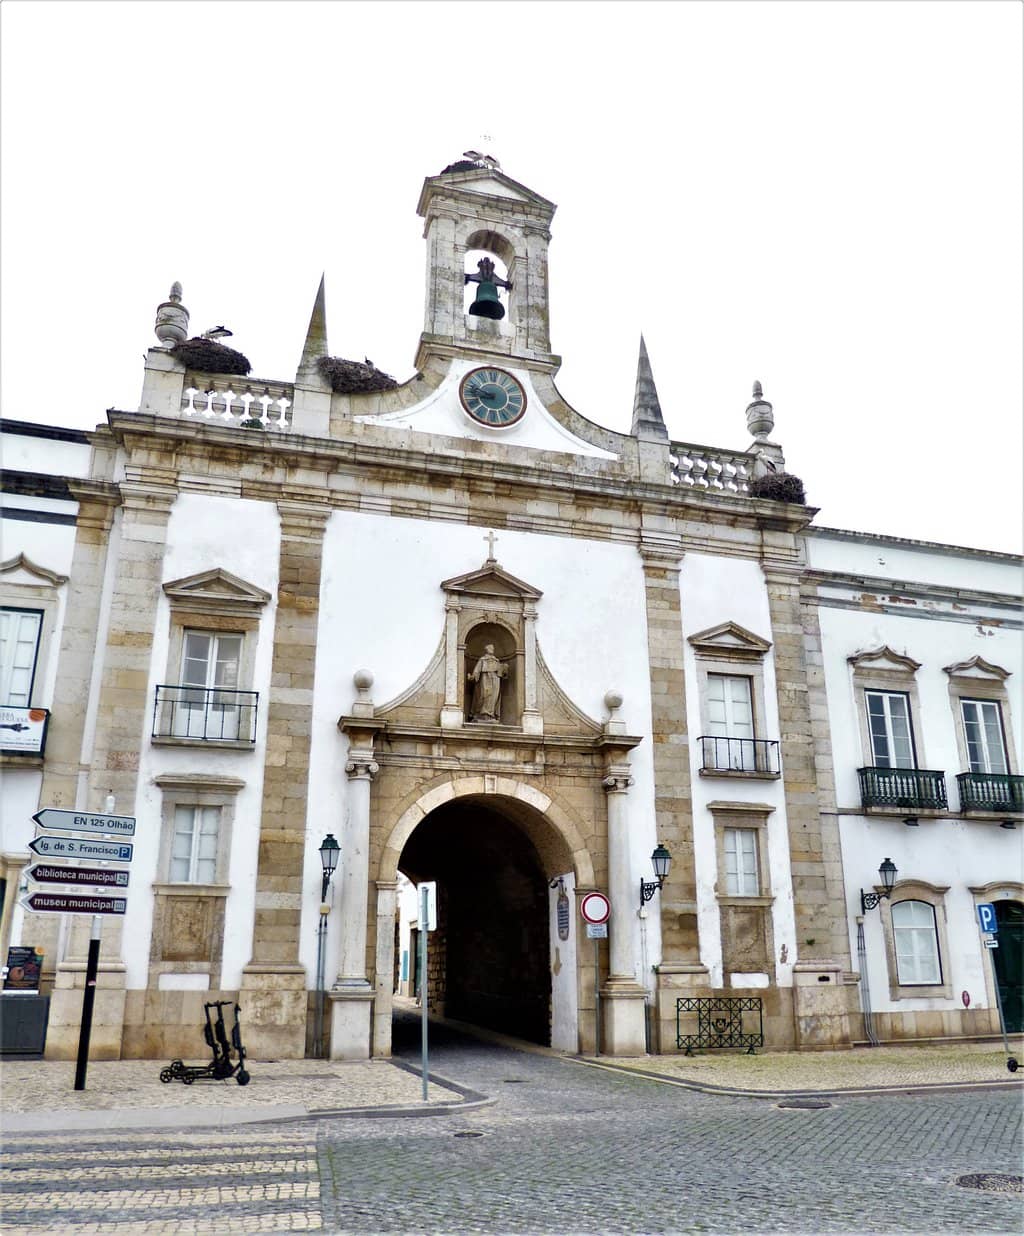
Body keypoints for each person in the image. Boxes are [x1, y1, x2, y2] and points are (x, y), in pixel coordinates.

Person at [468, 645, 508, 722]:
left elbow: (502, 672)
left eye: (493, 648)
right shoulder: (483, 660)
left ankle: (491, 714)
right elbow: (477, 670)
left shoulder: (496, 660)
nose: (492, 649)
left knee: (494, 697)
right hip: (486, 678)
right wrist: (473, 676)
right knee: (485, 695)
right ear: (486, 649)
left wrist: (504, 670)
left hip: (496, 679)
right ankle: (482, 713)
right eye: (490, 648)